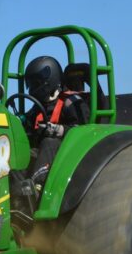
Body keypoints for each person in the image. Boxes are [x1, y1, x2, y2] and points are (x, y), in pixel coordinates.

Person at [22, 55, 90, 183]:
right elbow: (29, 124)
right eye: (30, 84)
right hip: (43, 152)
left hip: (65, 153)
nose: (32, 88)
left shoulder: (71, 102)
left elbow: (82, 131)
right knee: (20, 153)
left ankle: (37, 186)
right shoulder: (39, 105)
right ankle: (14, 195)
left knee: (49, 142)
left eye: (35, 83)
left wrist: (58, 130)